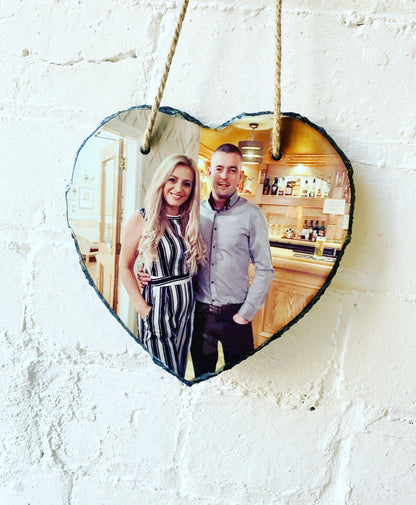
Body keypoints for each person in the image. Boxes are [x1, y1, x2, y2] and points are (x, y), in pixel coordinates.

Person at [190, 143, 275, 376]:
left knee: (242, 377)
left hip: (236, 316)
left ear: (241, 175)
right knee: (202, 377)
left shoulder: (252, 214)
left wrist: (245, 314)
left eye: (232, 170)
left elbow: (265, 269)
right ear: (209, 172)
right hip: (200, 315)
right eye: (219, 168)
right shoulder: (194, 211)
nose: (224, 176)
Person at [119, 153, 205, 378]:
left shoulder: (189, 220)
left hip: (186, 309)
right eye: (172, 180)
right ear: (162, 181)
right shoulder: (142, 218)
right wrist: (143, 309)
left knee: (179, 371)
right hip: (157, 307)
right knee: (164, 376)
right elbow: (124, 266)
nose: (179, 188)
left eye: (187, 183)